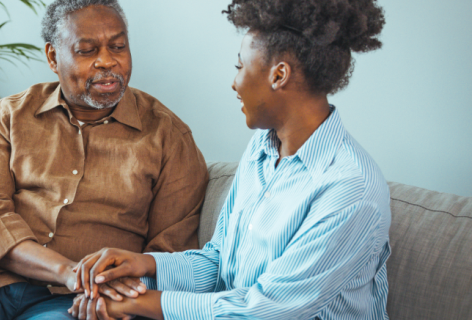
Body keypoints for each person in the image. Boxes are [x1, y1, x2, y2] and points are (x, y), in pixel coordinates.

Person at [0, 0, 208, 319]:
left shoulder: (169, 137)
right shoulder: (10, 116)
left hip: (81, 299)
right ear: (53, 58)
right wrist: (66, 270)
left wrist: (121, 295)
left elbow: (171, 255)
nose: (107, 61)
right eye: (87, 50)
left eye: (118, 47)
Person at [68, 0, 390, 319]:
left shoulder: (351, 190)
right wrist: (142, 267)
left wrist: (135, 303)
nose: (234, 82)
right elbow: (218, 264)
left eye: (240, 66)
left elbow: (264, 311)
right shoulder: (261, 149)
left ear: (279, 75)